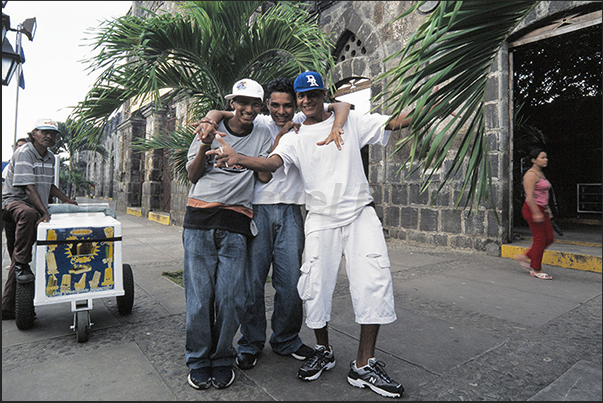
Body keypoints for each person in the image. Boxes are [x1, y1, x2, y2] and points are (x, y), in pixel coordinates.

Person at [207, 71, 420, 398]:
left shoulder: (350, 121)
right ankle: (323, 350)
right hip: (320, 217)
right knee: (314, 286)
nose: (307, 101)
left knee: (373, 282)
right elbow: (272, 164)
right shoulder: (292, 135)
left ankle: (364, 364)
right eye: (302, 96)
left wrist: (434, 105)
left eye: (314, 94)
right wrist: (238, 158)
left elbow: (394, 122)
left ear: (324, 96)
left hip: (360, 212)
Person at [195, 78, 351, 371]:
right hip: (258, 211)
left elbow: (340, 104)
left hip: (292, 211)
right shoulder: (262, 121)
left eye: (288, 105)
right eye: (275, 105)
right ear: (267, 105)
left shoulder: (304, 120)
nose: (282, 111)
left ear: (297, 104)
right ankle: (251, 343)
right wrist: (208, 119)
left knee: (291, 282)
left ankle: (286, 339)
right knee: (252, 283)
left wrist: (336, 126)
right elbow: (221, 114)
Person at [183, 78, 273, 391]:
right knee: (198, 300)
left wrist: (238, 156)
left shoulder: (263, 131)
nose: (248, 109)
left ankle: (222, 359)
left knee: (230, 298)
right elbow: (193, 176)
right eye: (241, 102)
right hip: (199, 220)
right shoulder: (208, 129)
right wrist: (207, 141)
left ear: (260, 107)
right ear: (232, 103)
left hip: (236, 224)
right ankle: (198, 360)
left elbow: (264, 173)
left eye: (254, 104)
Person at [2, 120, 77, 321]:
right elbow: (28, 187)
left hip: (34, 208)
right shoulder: (24, 152)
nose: (49, 137)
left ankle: (8, 307)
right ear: (34, 133)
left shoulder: (50, 157)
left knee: (19, 257)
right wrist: (44, 212)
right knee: (28, 218)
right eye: (45, 132)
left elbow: (48, 185)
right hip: (15, 204)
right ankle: (22, 265)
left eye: (53, 134)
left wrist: (67, 200)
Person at [514, 148, 554, 280]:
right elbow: (530, 196)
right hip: (532, 209)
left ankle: (525, 256)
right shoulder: (530, 175)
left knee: (549, 238)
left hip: (541, 208)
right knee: (540, 239)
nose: (545, 160)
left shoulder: (541, 173)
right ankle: (536, 269)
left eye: (546, 157)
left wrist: (547, 208)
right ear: (533, 160)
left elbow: (543, 194)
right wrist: (536, 213)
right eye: (542, 157)